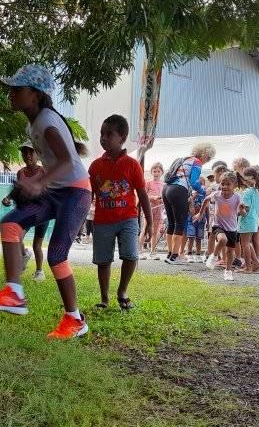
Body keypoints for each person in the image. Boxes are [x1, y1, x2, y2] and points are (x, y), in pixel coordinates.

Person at [0, 64, 92, 339]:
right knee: (10, 224)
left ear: (36, 94)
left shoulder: (47, 122)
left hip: (76, 192)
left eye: (18, 90)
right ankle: (13, 293)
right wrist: (37, 183)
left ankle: (74, 319)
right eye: (11, 89)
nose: (11, 94)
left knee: (56, 256)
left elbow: (66, 160)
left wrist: (38, 182)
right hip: (56, 191)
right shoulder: (35, 122)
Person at [88, 115, 152, 310]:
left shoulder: (133, 165)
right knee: (103, 260)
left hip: (128, 219)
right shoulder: (95, 166)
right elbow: (88, 195)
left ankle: (122, 291)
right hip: (102, 221)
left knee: (131, 255)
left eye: (109, 134)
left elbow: (142, 194)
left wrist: (149, 222)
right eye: (102, 134)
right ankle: (104, 299)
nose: (104, 138)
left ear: (122, 138)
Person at [2, 142, 49, 282]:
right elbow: (17, 189)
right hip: (26, 213)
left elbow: (50, 190)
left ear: (37, 154)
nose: (27, 155)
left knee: (37, 245)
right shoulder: (20, 173)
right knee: (17, 237)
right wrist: (8, 198)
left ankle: (39, 271)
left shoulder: (44, 171)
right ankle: (24, 255)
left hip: (42, 213)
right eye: (24, 152)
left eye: (31, 152)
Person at [162, 143, 216, 264]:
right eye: (208, 158)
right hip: (179, 189)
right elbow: (194, 181)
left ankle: (170, 254)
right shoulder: (197, 162)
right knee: (180, 224)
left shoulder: (183, 159)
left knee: (171, 223)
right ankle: (175, 257)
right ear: (205, 155)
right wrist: (204, 191)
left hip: (166, 188)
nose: (207, 161)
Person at [196, 171, 241, 281]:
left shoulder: (237, 197)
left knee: (230, 252)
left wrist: (243, 211)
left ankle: (228, 271)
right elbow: (206, 200)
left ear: (234, 185)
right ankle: (214, 256)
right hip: (218, 225)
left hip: (232, 228)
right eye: (222, 184)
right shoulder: (217, 194)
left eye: (228, 184)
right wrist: (200, 213)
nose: (224, 186)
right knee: (222, 240)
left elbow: (241, 210)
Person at [235, 166, 259, 273]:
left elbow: (245, 209)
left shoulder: (247, 192)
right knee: (248, 243)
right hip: (253, 220)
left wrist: (236, 213)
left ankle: (248, 267)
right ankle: (255, 263)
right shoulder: (256, 191)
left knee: (245, 243)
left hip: (246, 220)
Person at [141, 162, 165, 258]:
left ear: (162, 172)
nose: (156, 173)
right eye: (154, 171)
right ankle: (140, 250)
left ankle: (153, 251)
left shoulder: (164, 184)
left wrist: (163, 199)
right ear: (151, 172)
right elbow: (144, 195)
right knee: (146, 229)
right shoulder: (148, 183)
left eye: (158, 171)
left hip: (159, 209)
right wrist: (153, 197)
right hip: (149, 208)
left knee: (155, 231)